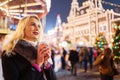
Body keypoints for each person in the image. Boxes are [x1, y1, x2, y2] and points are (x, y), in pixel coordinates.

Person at [1, 15, 57, 80]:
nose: (37, 28)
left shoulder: (40, 50)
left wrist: (47, 64)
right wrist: (37, 64)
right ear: (23, 28)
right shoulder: (9, 54)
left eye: (39, 26)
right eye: (33, 25)